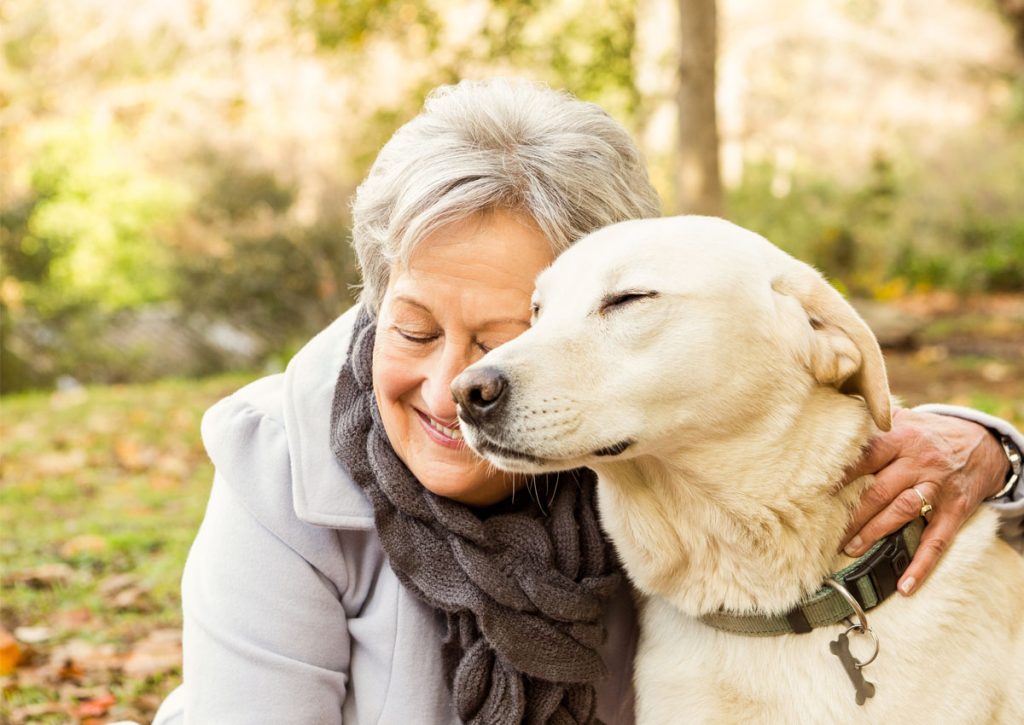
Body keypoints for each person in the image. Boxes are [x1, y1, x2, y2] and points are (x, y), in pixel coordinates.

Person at [153, 79, 1023, 725]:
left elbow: (776, 411)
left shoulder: (631, 449)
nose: (461, 381)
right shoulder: (280, 460)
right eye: (413, 329)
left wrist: (991, 448)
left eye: (506, 334)